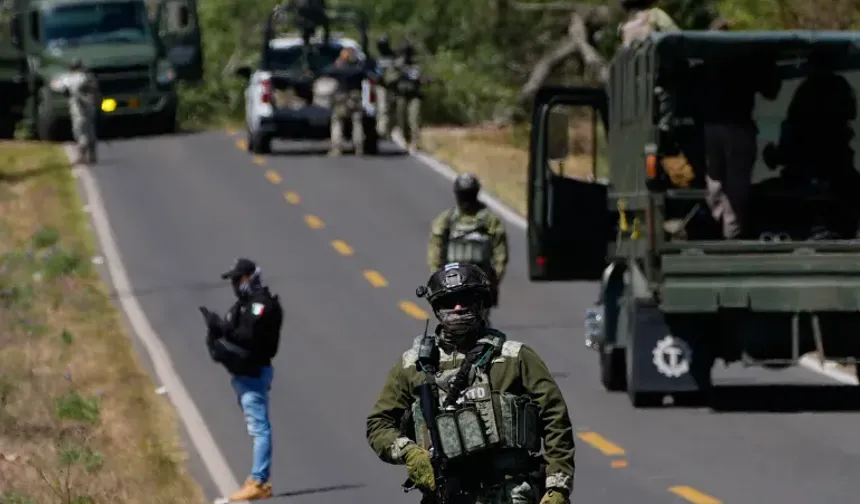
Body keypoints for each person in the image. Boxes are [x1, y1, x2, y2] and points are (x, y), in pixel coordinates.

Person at [366, 263, 576, 504]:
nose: (458, 307)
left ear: (480, 303)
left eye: (465, 298)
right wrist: (410, 453)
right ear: (436, 308)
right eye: (450, 301)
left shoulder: (515, 358)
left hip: (511, 493)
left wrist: (557, 487)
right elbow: (379, 424)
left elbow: (555, 419)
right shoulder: (413, 366)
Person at [200, 258, 284, 501]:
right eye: (234, 280)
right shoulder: (243, 305)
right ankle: (258, 480)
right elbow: (231, 328)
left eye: (239, 279)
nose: (236, 284)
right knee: (255, 425)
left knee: (259, 428)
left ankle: (258, 481)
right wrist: (216, 329)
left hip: (254, 371)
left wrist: (223, 329)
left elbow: (248, 335)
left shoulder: (261, 305)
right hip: (243, 372)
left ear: (251, 277)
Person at [699, 23, 781, 239]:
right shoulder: (744, 58)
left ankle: (721, 225)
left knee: (716, 181)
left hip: (714, 126)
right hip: (736, 126)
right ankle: (731, 232)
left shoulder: (708, 59)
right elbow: (771, 89)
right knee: (735, 184)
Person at [428, 173, 508, 320]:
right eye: (463, 195)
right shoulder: (447, 219)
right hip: (451, 280)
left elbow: (500, 252)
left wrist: (494, 280)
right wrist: (436, 279)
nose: (466, 199)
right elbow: (435, 248)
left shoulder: (489, 220)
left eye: (469, 194)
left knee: (479, 319)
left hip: (480, 279)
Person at [321, 47, 366, 156]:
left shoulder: (338, 69)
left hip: (341, 97)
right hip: (355, 97)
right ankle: (359, 148)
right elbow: (366, 74)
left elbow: (326, 71)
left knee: (337, 122)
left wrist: (338, 62)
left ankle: (337, 148)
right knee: (357, 122)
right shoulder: (358, 69)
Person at [56, 58, 99, 165]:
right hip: (89, 106)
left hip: (79, 107)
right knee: (89, 129)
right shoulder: (88, 77)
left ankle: (82, 155)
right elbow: (94, 90)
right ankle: (92, 154)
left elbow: (58, 86)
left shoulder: (71, 78)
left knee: (80, 130)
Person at [393, 41, 425, 154]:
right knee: (402, 120)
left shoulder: (417, 64)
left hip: (414, 95)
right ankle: (406, 140)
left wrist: (423, 79)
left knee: (414, 118)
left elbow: (422, 77)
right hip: (401, 95)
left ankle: (415, 142)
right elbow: (390, 79)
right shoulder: (396, 64)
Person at [374, 34, 398, 139]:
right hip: (381, 86)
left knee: (392, 108)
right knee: (382, 108)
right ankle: (382, 131)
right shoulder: (377, 58)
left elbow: (398, 70)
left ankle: (390, 130)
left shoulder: (393, 56)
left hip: (392, 86)